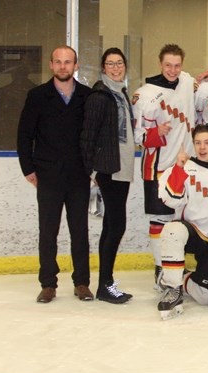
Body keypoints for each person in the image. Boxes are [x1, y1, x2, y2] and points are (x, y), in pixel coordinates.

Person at [17, 45, 92, 303]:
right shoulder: (37, 95)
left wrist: (92, 168)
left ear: (76, 65)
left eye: (68, 62)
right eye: (58, 61)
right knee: (48, 231)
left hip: (79, 175)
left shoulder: (86, 96)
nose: (63, 66)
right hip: (48, 175)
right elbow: (24, 135)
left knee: (79, 230)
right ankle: (48, 283)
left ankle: (82, 282)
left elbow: (93, 137)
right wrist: (28, 169)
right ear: (51, 65)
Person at [155, 123, 208, 320]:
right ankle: (172, 287)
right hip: (193, 233)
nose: (202, 147)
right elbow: (170, 200)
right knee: (172, 229)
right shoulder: (183, 168)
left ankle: (185, 277)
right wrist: (179, 169)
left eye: (207, 142)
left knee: (206, 296)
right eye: (198, 143)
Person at [132, 44, 196, 289]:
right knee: (161, 220)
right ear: (160, 63)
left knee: (180, 220)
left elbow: (205, 80)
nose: (173, 70)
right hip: (158, 167)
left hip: (185, 167)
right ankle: (160, 269)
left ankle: (175, 265)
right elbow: (138, 137)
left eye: (177, 65)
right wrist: (155, 132)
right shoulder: (145, 94)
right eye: (168, 65)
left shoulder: (187, 82)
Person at [80, 47, 134, 303]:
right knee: (116, 226)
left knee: (111, 226)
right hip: (109, 170)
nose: (115, 67)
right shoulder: (100, 97)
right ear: (103, 68)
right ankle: (105, 284)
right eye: (110, 64)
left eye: (119, 63)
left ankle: (105, 283)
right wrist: (90, 171)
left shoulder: (121, 94)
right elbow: (88, 136)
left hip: (122, 169)